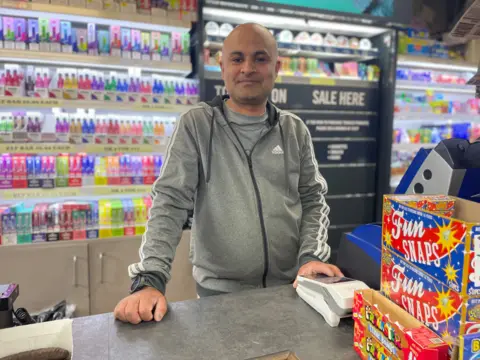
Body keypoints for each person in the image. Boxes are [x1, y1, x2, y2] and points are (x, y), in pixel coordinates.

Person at [114, 23, 343, 324]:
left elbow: (313, 200)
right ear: (222, 66)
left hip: (291, 291)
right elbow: (169, 203)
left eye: (259, 59)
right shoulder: (197, 125)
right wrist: (150, 280)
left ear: (276, 67)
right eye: (237, 59)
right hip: (217, 299)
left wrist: (311, 256)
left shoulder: (293, 129)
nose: (247, 68)